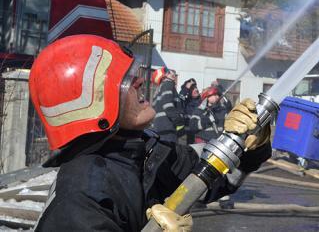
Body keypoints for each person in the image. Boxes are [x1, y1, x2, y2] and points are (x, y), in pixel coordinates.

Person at [29, 35, 271, 232]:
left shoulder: (147, 152)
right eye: (123, 81)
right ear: (90, 107)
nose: (137, 81)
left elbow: (213, 177)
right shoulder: (80, 199)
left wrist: (247, 144)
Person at [150, 67, 184, 143]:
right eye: (168, 72)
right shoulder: (168, 84)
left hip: (160, 128)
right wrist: (179, 121)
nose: (172, 73)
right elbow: (168, 106)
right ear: (164, 76)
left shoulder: (159, 90)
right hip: (168, 128)